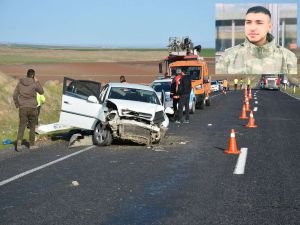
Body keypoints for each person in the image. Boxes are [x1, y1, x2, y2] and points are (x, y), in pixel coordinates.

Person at [216, 6, 297, 75]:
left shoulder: (288, 58)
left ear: (269, 26)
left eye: (259, 23)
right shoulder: (228, 56)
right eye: (248, 22)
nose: (252, 28)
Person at [13, 69, 44, 151]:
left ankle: (19, 144)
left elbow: (14, 95)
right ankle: (32, 144)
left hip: (22, 108)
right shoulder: (34, 83)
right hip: (32, 108)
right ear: (33, 75)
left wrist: (17, 105)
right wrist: (37, 82)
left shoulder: (20, 83)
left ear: (26, 74)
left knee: (21, 126)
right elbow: (41, 92)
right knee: (32, 126)